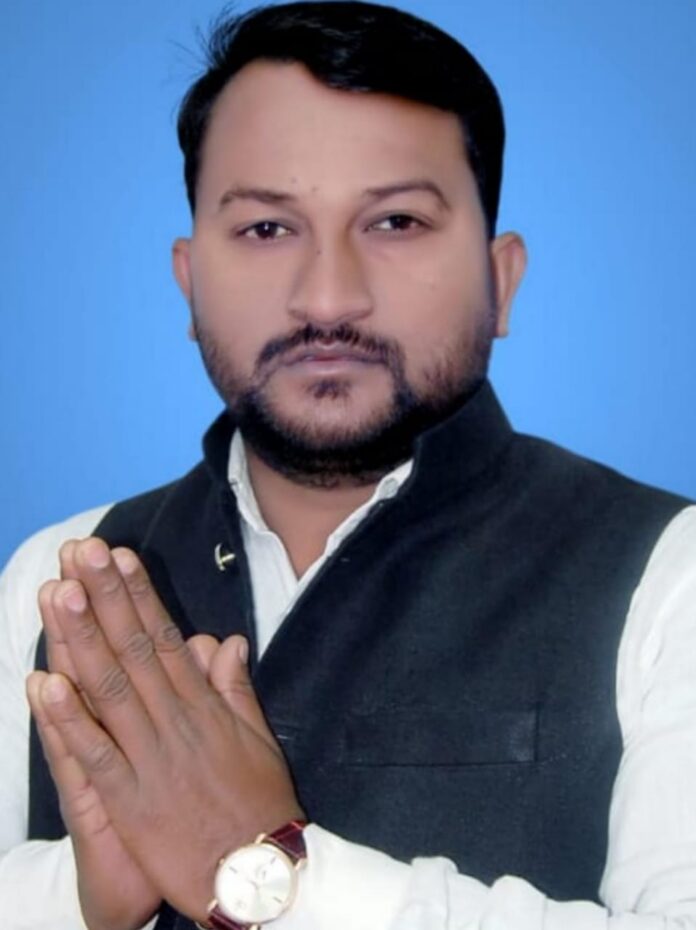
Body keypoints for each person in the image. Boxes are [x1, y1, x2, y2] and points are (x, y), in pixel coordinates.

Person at [1, 2, 695, 929]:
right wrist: (82, 900)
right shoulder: (57, 577)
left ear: (501, 281)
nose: (328, 298)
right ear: (188, 281)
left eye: (396, 221)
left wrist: (269, 871)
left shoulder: (669, 575)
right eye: (266, 229)